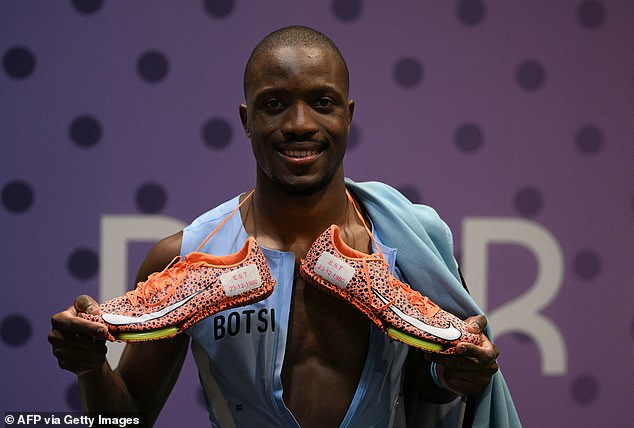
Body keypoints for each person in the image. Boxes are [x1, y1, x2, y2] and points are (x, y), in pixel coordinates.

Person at [49, 26, 520, 427]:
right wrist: (91, 368)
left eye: (322, 102)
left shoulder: (405, 243)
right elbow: (127, 418)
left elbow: (423, 387)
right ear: (246, 120)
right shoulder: (185, 257)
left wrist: (453, 375)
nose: (299, 124)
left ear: (348, 116)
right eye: (274, 104)